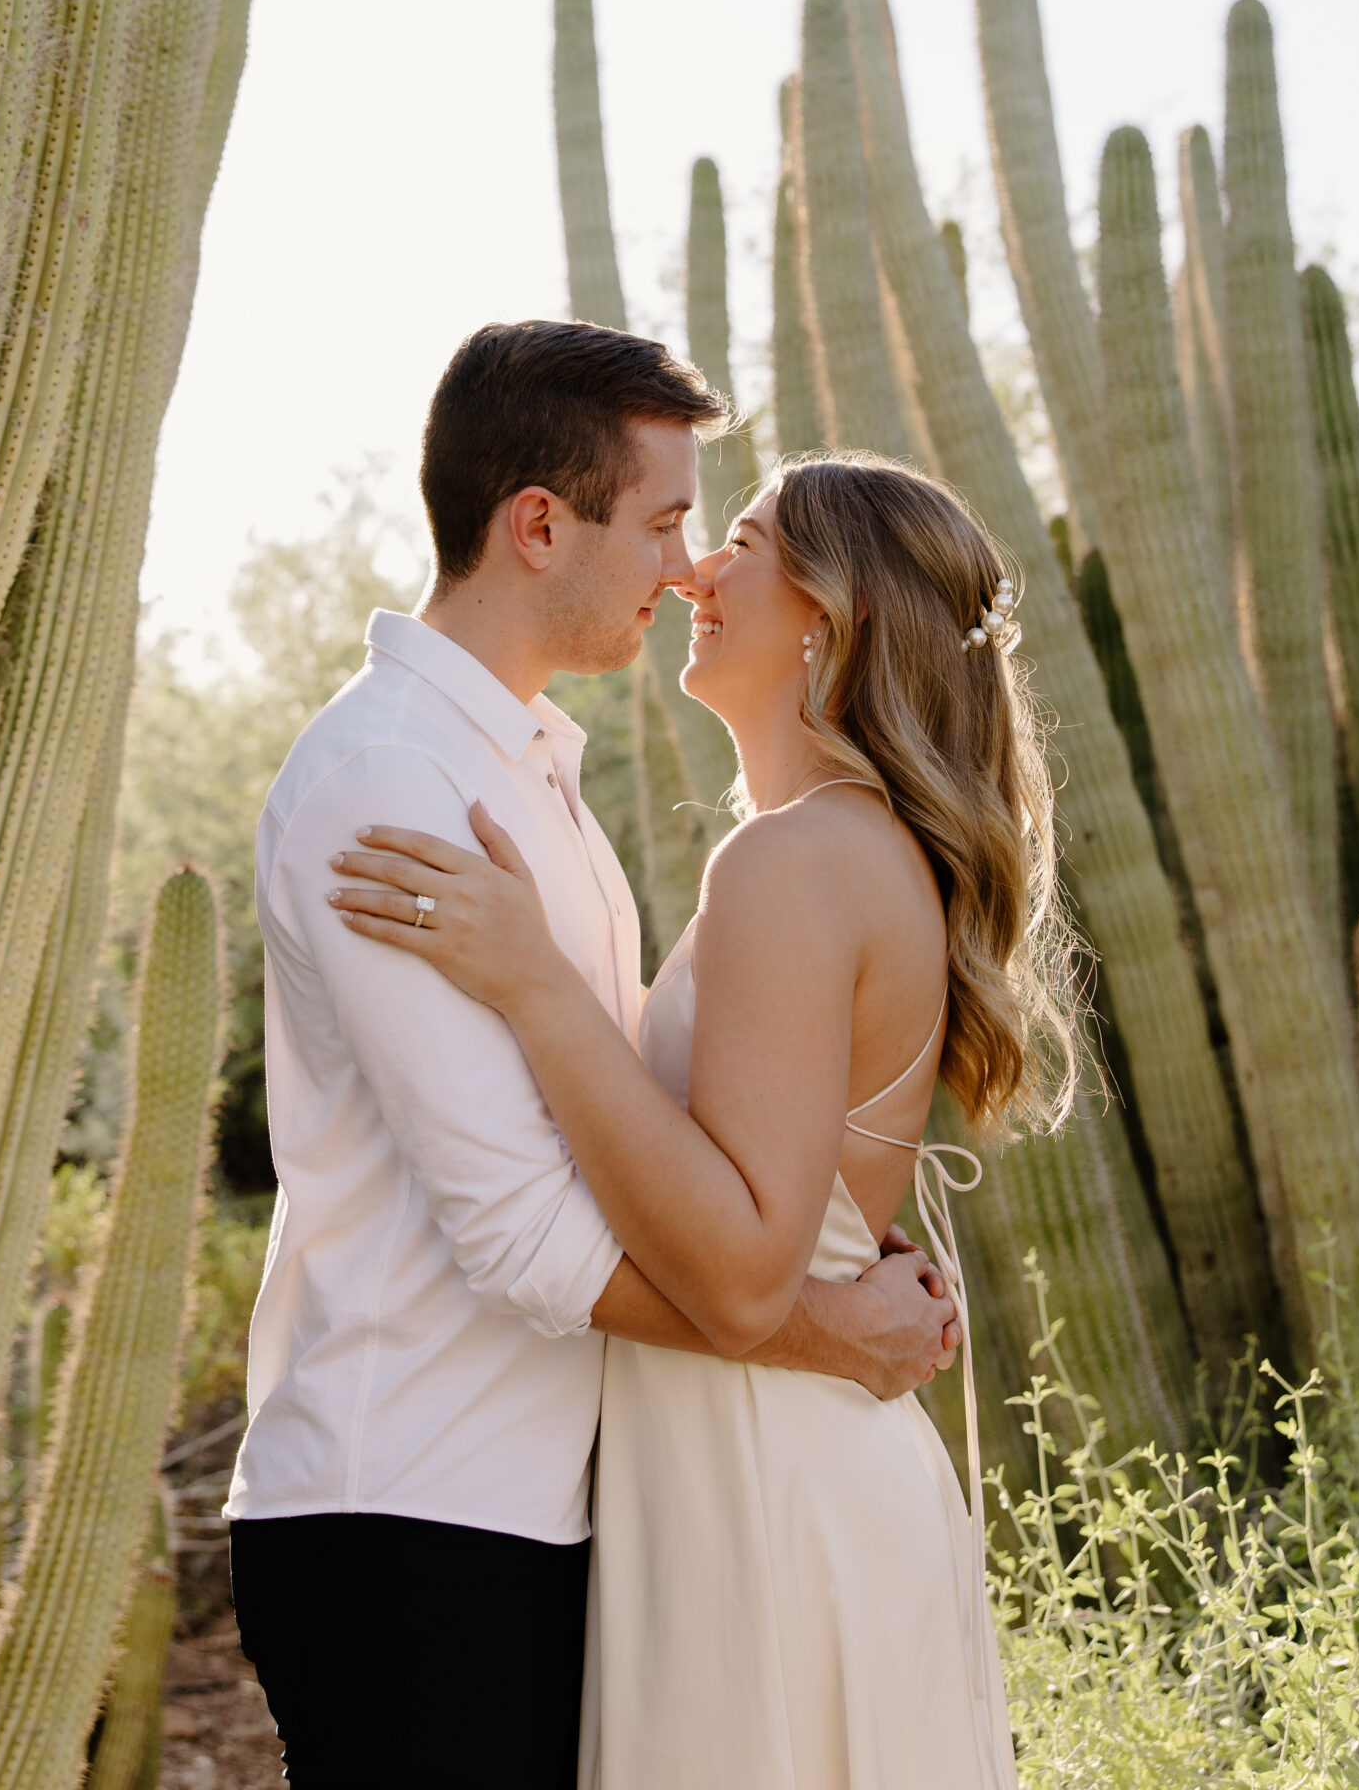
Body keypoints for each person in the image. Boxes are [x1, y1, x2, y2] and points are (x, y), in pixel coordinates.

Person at [226, 324, 961, 1790]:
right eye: (669, 520)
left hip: (543, 1513)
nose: (685, 567)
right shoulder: (396, 785)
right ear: (540, 524)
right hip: (412, 1514)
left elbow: (646, 1140)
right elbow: (519, 1229)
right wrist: (828, 1328)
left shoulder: (530, 774)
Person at [337, 450, 1080, 1790]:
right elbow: (805, 1185)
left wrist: (534, 987)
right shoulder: (842, 852)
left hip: (769, 1492)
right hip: (773, 1473)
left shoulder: (794, 862)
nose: (694, 571)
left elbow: (744, 1270)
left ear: (830, 616)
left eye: (739, 539)